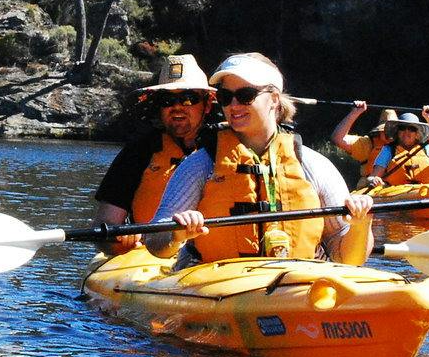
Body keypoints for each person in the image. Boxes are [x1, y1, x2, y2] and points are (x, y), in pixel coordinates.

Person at [147, 52, 373, 266]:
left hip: (296, 281)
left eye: (246, 96)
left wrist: (361, 223)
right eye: (226, 97)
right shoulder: (201, 165)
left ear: (274, 99)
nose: (234, 105)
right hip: (218, 281)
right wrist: (176, 234)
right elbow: (155, 242)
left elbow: (347, 258)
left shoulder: (313, 166)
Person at [92, 54, 214, 254]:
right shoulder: (138, 152)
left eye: (188, 98)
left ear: (207, 105)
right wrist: (119, 239)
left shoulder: (224, 148)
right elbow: (105, 224)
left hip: (210, 260)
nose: (177, 107)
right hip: (149, 257)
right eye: (167, 100)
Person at [333, 101, 429, 189]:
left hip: (424, 191)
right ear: (397, 131)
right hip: (396, 192)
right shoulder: (385, 149)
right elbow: (373, 176)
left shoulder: (427, 148)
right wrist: (374, 180)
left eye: (411, 129)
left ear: (417, 134)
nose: (407, 132)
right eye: (402, 128)